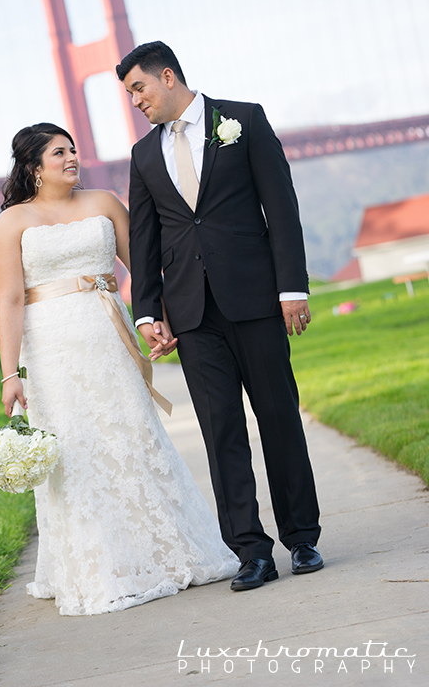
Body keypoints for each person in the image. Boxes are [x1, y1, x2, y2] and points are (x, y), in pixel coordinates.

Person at [0, 122, 238, 616]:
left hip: (108, 335)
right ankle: (100, 567)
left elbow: (143, 269)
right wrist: (10, 373)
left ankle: (168, 553)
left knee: (131, 435)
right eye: (60, 153)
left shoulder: (103, 203)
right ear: (35, 168)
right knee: (76, 449)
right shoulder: (11, 223)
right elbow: (10, 299)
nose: (72, 158)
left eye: (74, 149)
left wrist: (157, 318)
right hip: (52, 348)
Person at [116, 41, 323, 592]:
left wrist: (291, 288)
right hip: (192, 314)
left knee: (278, 417)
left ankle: (302, 538)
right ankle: (251, 551)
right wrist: (146, 314)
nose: (135, 100)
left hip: (256, 300)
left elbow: (281, 207)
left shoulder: (244, 121)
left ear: (167, 76)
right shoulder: (142, 155)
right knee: (220, 432)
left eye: (138, 87)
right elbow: (145, 241)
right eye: (129, 93)